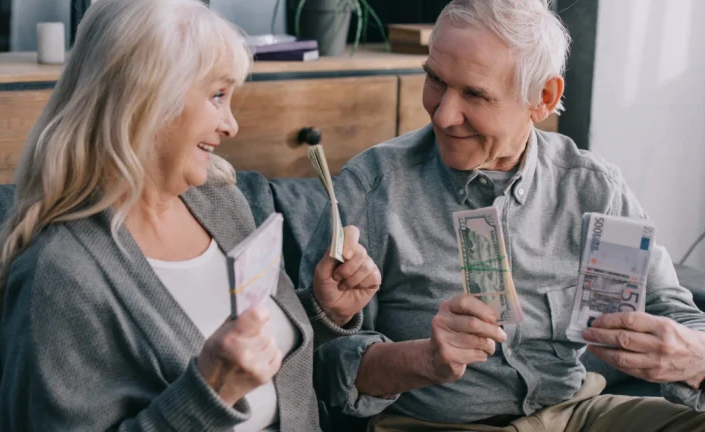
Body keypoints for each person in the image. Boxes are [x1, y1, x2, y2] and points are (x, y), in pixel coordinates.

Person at [0, 1, 381, 430]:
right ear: (147, 100)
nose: (232, 125)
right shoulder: (59, 273)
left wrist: (322, 312)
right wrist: (209, 393)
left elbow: (269, 361)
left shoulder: (219, 200)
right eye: (217, 95)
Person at [299, 1, 705, 431]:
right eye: (435, 80)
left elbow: (671, 308)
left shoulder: (592, 187)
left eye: (474, 94)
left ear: (543, 98)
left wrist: (696, 358)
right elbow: (316, 367)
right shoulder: (372, 188)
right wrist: (427, 360)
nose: (442, 114)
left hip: (575, 414)